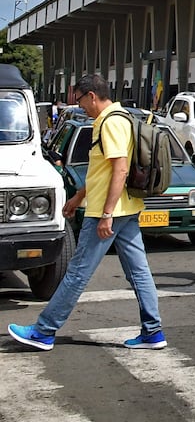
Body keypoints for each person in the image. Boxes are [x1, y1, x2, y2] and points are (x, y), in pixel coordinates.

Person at [7, 74, 166, 351]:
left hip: (110, 211)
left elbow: (120, 168)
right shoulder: (114, 119)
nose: (79, 106)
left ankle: (44, 331)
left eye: (80, 100)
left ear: (92, 95)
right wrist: (78, 197)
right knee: (138, 272)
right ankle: (152, 332)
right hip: (123, 209)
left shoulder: (111, 122)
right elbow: (101, 171)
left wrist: (105, 214)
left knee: (77, 272)